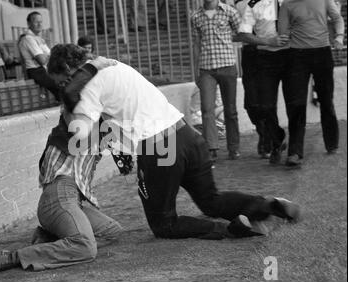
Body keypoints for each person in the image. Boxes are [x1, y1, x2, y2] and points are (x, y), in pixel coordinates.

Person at [48, 44, 301, 242]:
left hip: (160, 148)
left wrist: (71, 106)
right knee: (211, 200)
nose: (63, 87)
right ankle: (269, 205)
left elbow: (79, 133)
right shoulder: (114, 66)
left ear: (70, 71)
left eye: (62, 81)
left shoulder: (89, 85)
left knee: (164, 224)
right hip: (188, 135)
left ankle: (231, 229)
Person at [0, 57, 123, 276]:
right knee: (85, 246)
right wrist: (93, 66)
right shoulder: (77, 110)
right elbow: (72, 92)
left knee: (113, 232)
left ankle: (47, 237)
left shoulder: (105, 124)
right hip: (60, 193)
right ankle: (8, 257)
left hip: (72, 199)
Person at [278, 0, 345, 167]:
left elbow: (337, 18)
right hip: (297, 56)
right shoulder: (287, 5)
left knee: (326, 100)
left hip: (322, 53)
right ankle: (294, 152)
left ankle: (332, 144)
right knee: (297, 104)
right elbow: (283, 32)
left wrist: (339, 36)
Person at [237, 0, 290, 164]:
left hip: (280, 52)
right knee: (252, 104)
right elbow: (233, 33)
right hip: (251, 52)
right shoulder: (241, 4)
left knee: (268, 103)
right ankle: (267, 133)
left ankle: (271, 142)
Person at [191, 0, 242, 162]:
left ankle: (233, 147)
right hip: (206, 69)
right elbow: (197, 44)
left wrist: (227, 40)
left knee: (231, 110)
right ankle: (211, 147)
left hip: (227, 65)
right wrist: (196, 70)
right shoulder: (196, 16)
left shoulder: (229, 12)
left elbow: (241, 33)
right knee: (207, 109)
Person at [18, 11, 59, 100]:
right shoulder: (28, 39)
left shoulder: (38, 38)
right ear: (29, 23)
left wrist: (49, 55)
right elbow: (42, 60)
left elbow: (50, 55)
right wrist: (50, 55)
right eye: (36, 22)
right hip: (36, 71)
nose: (39, 24)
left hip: (45, 69)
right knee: (60, 85)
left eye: (41, 22)